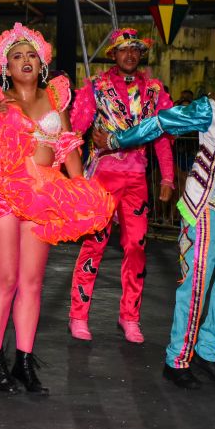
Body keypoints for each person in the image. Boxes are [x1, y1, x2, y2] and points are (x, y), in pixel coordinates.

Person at [0, 23, 115, 394]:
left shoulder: (55, 100)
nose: (25, 60)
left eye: (31, 55)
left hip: (45, 192)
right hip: (2, 191)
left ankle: (24, 360)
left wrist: (85, 194)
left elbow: (69, 148)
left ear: (42, 64)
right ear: (5, 65)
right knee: (5, 279)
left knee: (32, 283)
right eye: (17, 56)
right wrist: (1, 132)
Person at [96, 57, 215, 389]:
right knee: (195, 285)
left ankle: (208, 353)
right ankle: (177, 359)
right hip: (200, 208)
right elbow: (162, 123)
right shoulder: (211, 109)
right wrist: (116, 141)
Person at [67, 27, 174, 343]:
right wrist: (67, 172)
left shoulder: (154, 91)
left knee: (137, 248)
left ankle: (130, 317)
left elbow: (163, 136)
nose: (130, 55)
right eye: (123, 49)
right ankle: (78, 315)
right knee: (94, 246)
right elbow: (75, 129)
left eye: (135, 50)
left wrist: (167, 177)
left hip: (137, 180)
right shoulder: (96, 87)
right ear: (112, 54)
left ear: (141, 54)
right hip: (103, 178)